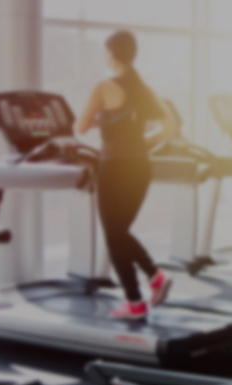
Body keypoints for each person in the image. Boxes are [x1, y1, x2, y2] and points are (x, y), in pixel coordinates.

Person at [75, 31, 176, 319]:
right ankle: (151, 282)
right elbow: (169, 128)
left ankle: (137, 300)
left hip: (115, 167)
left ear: (111, 54)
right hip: (141, 167)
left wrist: (102, 122)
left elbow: (80, 126)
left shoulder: (103, 87)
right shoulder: (145, 89)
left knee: (114, 235)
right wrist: (140, 142)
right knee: (119, 233)